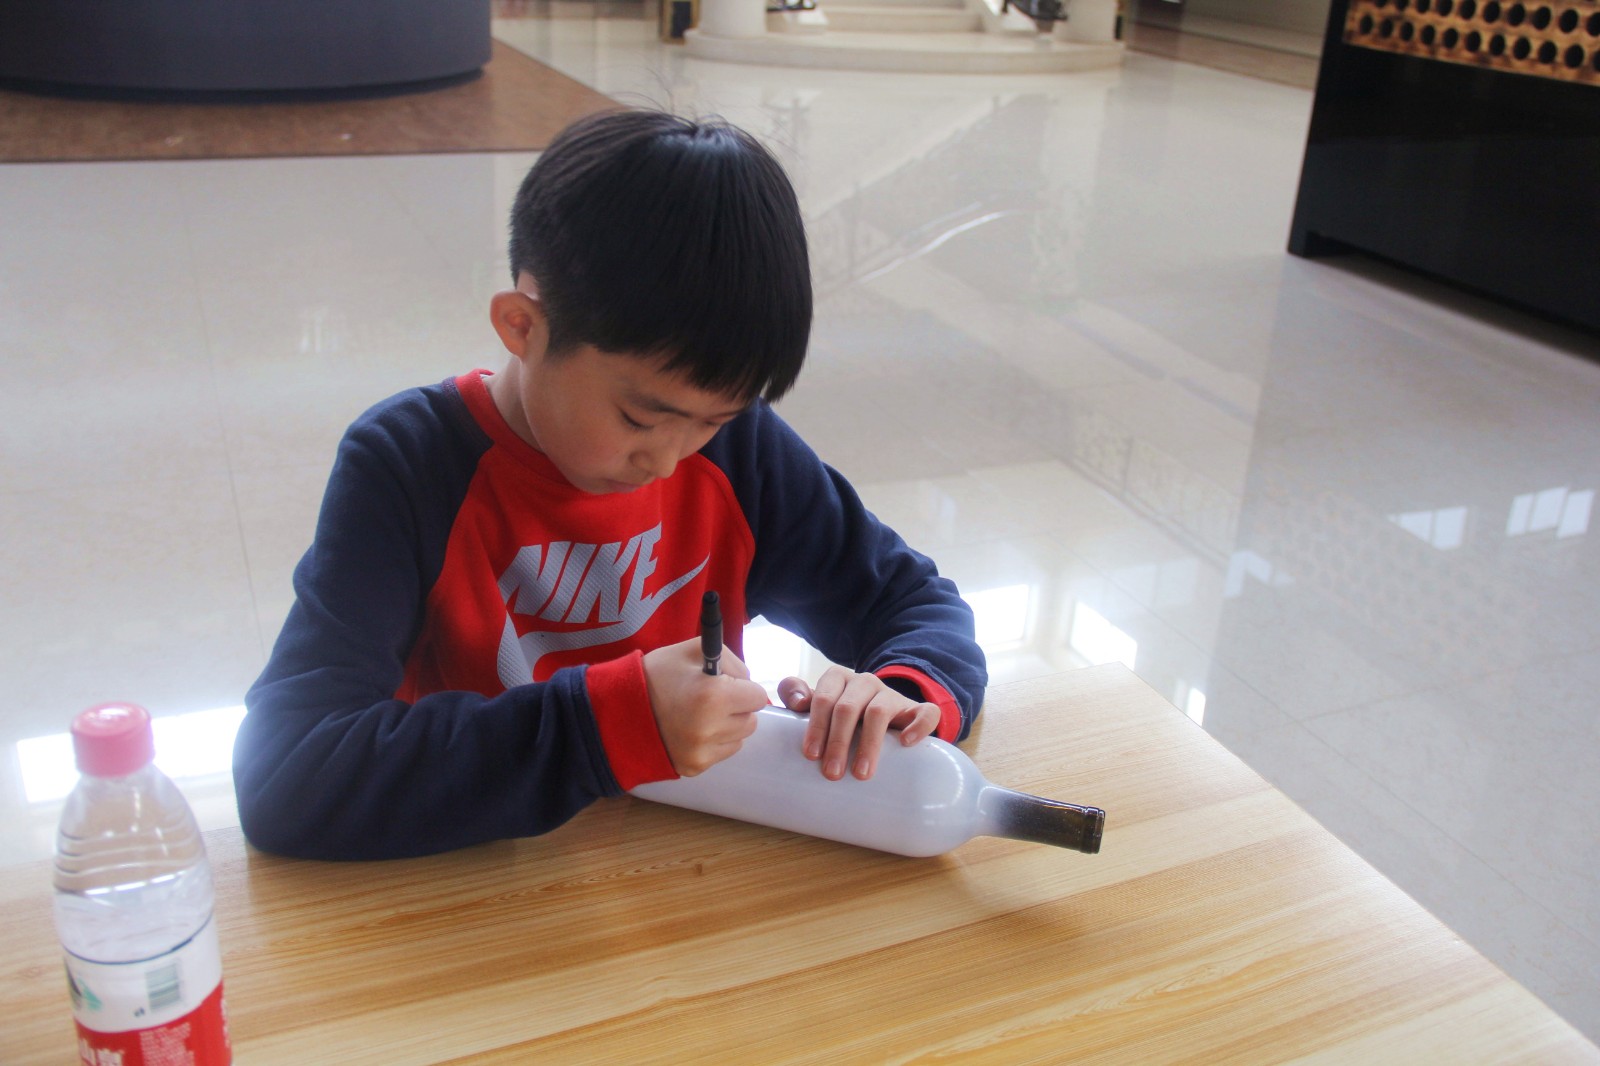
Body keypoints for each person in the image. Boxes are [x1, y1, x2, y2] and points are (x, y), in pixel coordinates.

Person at [232, 109, 988, 861]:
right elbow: (287, 775)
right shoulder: (408, 467)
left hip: (676, 869)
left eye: (711, 421)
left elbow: (912, 601)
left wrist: (898, 698)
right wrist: (604, 728)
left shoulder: (742, 454)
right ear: (522, 327)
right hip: (474, 880)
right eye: (639, 418)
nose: (668, 461)